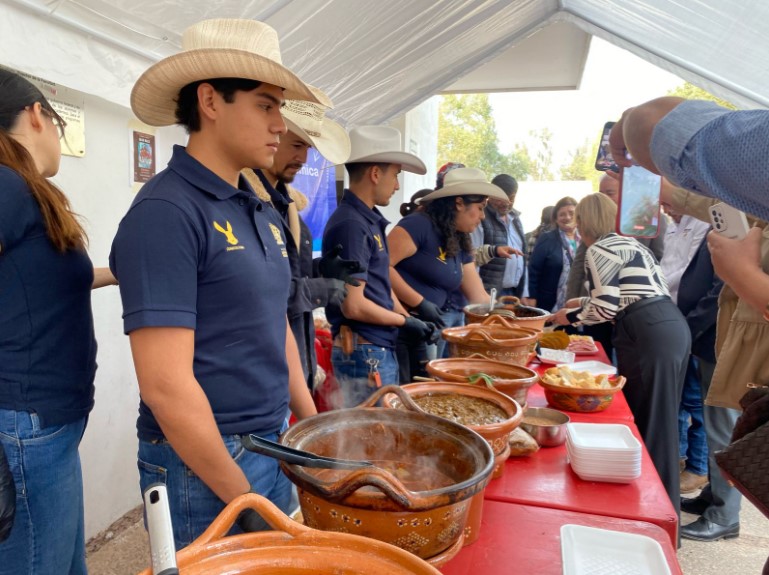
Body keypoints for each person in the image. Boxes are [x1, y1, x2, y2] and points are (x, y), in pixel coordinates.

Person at [110, 19, 326, 548]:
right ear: (210, 101)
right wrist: (242, 500)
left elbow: (276, 325)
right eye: (265, 105)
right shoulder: (165, 212)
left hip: (271, 444)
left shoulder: (259, 209)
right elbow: (165, 386)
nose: (281, 124)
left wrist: (314, 429)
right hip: (203, 463)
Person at [0, 69, 117, 573]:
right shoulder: (5, 184)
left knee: (67, 565)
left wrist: (118, 274)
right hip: (26, 423)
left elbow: (37, 284)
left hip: (48, 423)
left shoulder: (22, 190)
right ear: (36, 115)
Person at [552, 193, 690, 520]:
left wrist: (567, 318)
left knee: (650, 428)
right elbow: (623, 293)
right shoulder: (629, 243)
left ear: (587, 223)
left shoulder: (598, 249)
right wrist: (580, 305)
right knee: (662, 424)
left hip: (647, 332)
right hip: (669, 325)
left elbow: (606, 307)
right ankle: (661, 514)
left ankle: (654, 517)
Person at [242, 89, 353, 392]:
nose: (302, 158)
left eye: (307, 148)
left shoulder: (285, 204)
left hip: (292, 361)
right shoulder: (249, 205)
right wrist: (318, 289)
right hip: (266, 372)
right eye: (296, 145)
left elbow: (286, 271)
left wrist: (319, 269)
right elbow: (257, 291)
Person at [322, 125, 436, 406]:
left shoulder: (367, 220)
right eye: (395, 175)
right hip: (364, 351)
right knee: (370, 440)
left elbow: (378, 284)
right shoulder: (352, 225)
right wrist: (404, 321)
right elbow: (354, 305)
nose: (397, 184)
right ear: (375, 173)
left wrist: (409, 316)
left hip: (374, 346)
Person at [388, 168, 508, 378]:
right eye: (480, 208)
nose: (482, 216)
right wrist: (418, 302)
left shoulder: (459, 236)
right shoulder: (418, 225)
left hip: (425, 331)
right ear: (459, 203)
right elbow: (380, 266)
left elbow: (478, 295)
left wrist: (507, 317)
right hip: (400, 330)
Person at [674, 228, 742, 542]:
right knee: (714, 423)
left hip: (722, 341)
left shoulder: (739, 220)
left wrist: (687, 329)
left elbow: (723, 288)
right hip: (710, 343)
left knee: (721, 430)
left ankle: (725, 515)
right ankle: (713, 497)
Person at [659, 206, 711, 494]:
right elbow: (667, 265)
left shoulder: (702, 221)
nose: (666, 207)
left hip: (692, 322)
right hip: (671, 316)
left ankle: (698, 467)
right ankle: (678, 456)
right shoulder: (671, 224)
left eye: (670, 200)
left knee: (695, 401)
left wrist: (654, 288)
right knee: (677, 397)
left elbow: (684, 273)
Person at [471, 174, 528, 299]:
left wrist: (524, 293)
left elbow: (523, 257)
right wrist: (478, 295)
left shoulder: (516, 219)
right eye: (501, 198)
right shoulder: (481, 218)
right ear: (490, 195)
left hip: (513, 293)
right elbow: (472, 259)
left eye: (511, 198)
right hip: (488, 294)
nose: (506, 203)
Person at [528, 196, 580, 313]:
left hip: (578, 301)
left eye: (571, 213)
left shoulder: (586, 239)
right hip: (549, 303)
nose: (567, 217)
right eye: (562, 214)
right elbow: (533, 270)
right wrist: (531, 296)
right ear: (556, 219)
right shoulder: (547, 239)